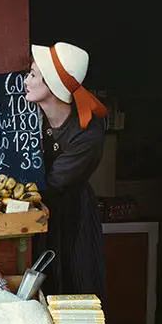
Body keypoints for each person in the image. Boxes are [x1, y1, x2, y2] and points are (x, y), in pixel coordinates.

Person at [25, 42, 108, 300]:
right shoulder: (25, 116)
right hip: (38, 218)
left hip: (73, 218)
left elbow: (54, 183)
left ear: (51, 86)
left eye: (33, 75)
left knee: (76, 286)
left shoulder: (87, 133)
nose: (26, 80)